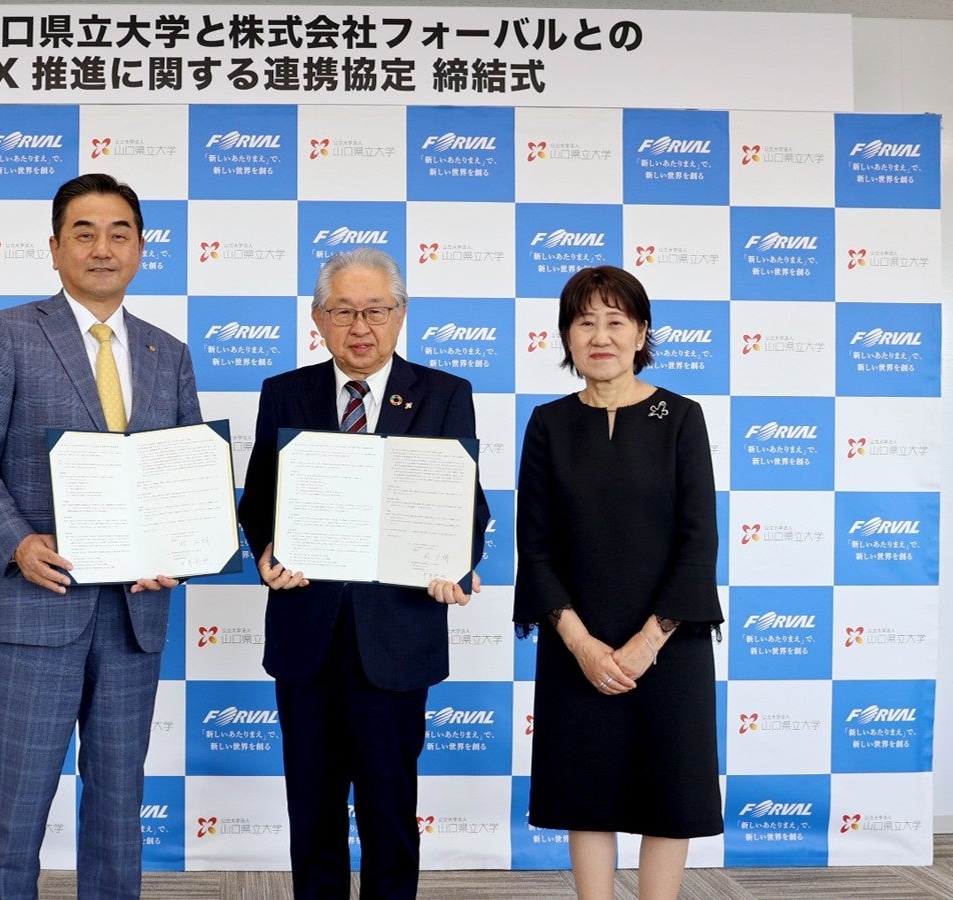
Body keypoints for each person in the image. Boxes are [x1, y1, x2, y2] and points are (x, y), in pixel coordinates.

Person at [0, 173, 203, 899]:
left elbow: (185, 473)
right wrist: (17, 542)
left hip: (133, 614)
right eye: (83, 234)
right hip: (35, 606)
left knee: (120, 807)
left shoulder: (167, 352)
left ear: (142, 248)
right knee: (16, 805)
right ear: (55, 248)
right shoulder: (9, 332)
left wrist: (179, 551)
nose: (102, 249)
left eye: (119, 233)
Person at [237, 247, 490, 900]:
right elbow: (258, 501)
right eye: (343, 310)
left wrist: (456, 563)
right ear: (318, 319)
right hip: (307, 633)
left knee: (389, 813)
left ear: (400, 314)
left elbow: (466, 506)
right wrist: (265, 551)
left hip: (397, 635)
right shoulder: (284, 393)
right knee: (312, 813)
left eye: (375, 310)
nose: (360, 326)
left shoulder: (445, 395)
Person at [512, 265, 723, 900]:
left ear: (641, 332)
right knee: (587, 793)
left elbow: (698, 542)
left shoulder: (681, 417)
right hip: (577, 640)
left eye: (615, 321)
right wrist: (581, 644)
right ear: (566, 337)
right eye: (585, 322)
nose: (600, 336)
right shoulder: (548, 423)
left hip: (670, 641)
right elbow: (535, 546)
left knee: (670, 796)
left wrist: (648, 642)